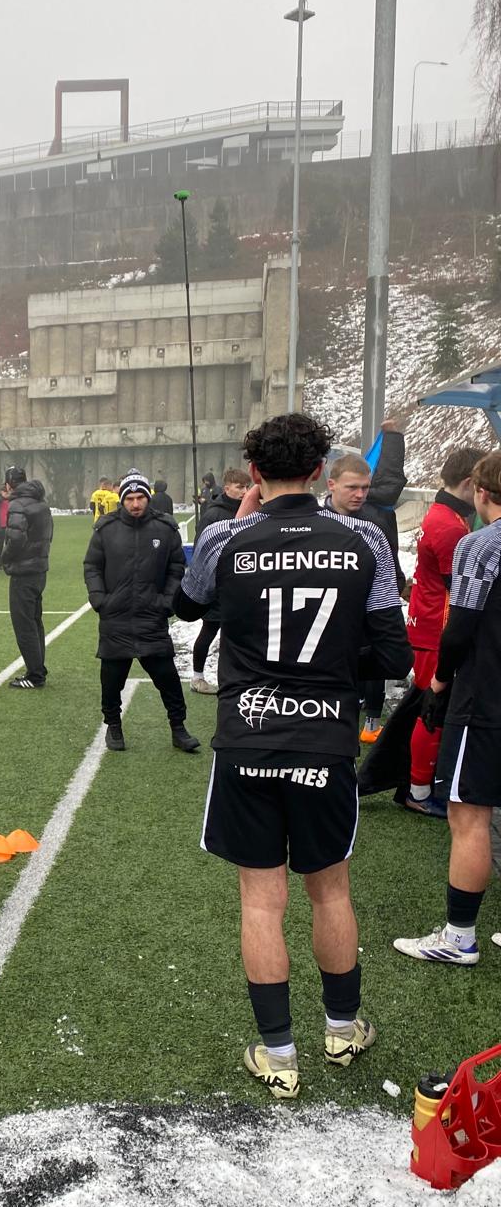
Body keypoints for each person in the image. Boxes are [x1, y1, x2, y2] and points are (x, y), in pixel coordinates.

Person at [175, 412, 412, 1100]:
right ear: (319, 471)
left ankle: (278, 1054)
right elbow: (394, 655)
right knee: (330, 889)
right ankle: (342, 1028)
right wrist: (333, 667)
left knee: (261, 901)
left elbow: (187, 607)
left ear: (254, 472)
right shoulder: (363, 538)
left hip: (248, 736)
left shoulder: (225, 537)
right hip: (324, 740)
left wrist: (236, 528)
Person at [395, 451, 501, 966]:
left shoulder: (480, 545)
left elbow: (460, 629)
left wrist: (438, 682)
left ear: (480, 492)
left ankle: (459, 937)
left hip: (486, 696)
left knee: (469, 815)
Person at [83, 470, 199, 754]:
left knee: (167, 678)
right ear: (122, 500)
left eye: (140, 497)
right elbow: (92, 566)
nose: (135, 504)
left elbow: (176, 567)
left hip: (152, 616)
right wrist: (99, 599)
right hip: (115, 618)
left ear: (148, 498)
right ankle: (113, 725)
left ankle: (178, 728)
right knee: (112, 681)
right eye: (130, 498)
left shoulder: (165, 528)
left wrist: (167, 600)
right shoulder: (106, 528)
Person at [404, 446, 486, 816]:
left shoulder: (442, 514)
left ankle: (420, 785)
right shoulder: (450, 526)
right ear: (470, 484)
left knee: (430, 708)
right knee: (431, 711)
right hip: (435, 630)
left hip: (429, 624)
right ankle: (419, 792)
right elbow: (461, 590)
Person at [323, 421, 408, 741]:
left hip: (368, 611)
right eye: (352, 488)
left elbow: (391, 478)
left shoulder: (376, 522)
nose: (360, 494)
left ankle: (371, 720)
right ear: (331, 485)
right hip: (329, 616)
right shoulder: (316, 523)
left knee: (371, 656)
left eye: (365, 488)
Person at [189, 468, 250, 694]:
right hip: (217, 586)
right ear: (227, 488)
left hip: (241, 586)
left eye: (247, 487)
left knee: (236, 635)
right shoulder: (213, 514)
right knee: (209, 630)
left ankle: (234, 679)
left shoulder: (251, 511)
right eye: (239, 487)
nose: (244, 491)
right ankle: (197, 677)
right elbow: (201, 548)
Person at [1, 465, 53, 690]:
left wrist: (4, 558)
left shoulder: (18, 504)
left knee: (24, 625)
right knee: (34, 621)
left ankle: (35, 674)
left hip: (24, 572)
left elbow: (15, 539)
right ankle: (38, 668)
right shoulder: (41, 503)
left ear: (8, 484)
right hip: (39, 568)